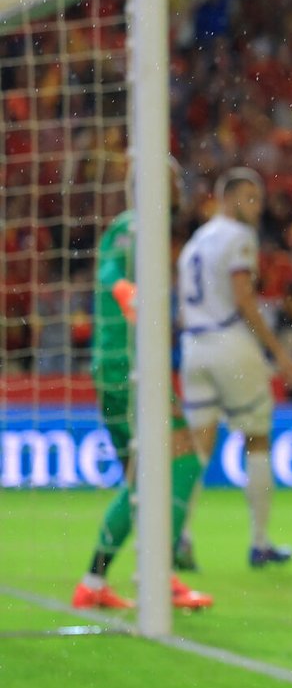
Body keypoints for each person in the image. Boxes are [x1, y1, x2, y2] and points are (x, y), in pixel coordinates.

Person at [72, 161, 213, 612]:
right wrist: (127, 296)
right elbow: (110, 272)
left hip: (122, 366)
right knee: (183, 459)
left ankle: (93, 581)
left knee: (140, 480)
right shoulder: (133, 227)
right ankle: (163, 573)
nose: (180, 187)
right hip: (125, 369)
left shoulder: (146, 233)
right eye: (173, 179)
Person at [176, 168, 292, 567]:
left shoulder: (194, 244)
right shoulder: (239, 238)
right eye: (251, 198)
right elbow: (244, 299)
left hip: (194, 347)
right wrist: (278, 354)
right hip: (229, 343)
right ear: (229, 199)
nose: (258, 207)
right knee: (257, 438)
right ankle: (260, 542)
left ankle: (180, 536)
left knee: (198, 447)